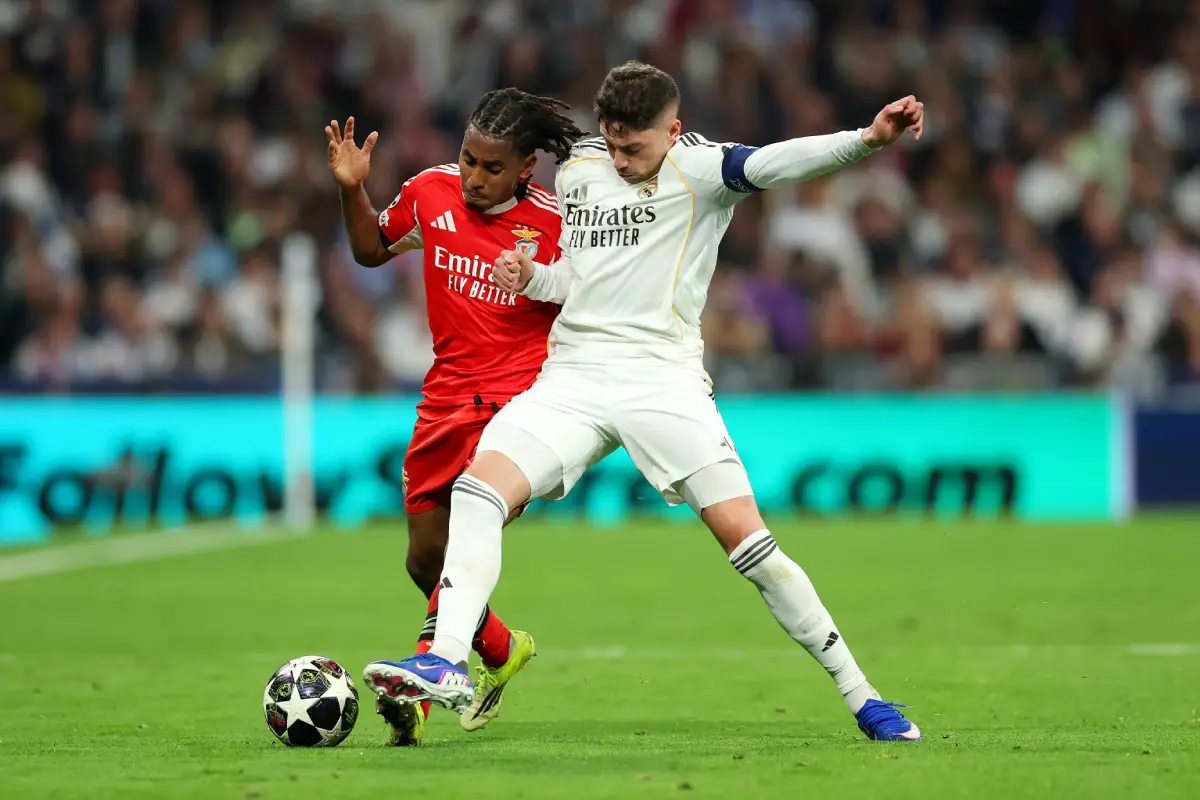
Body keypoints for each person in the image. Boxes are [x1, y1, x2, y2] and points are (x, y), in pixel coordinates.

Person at [366, 62, 926, 742]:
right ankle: (448, 660)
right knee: (477, 494)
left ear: (674, 130)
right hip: (573, 375)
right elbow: (579, 274)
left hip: (663, 382)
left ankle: (862, 695)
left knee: (752, 548)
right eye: (615, 143)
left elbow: (784, 163)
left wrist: (867, 138)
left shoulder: (705, 172)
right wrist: (534, 275)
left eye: (638, 148)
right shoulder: (580, 173)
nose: (624, 160)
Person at [327, 87, 586, 745]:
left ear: (527, 166)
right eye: (468, 159)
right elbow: (370, 252)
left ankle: (422, 690)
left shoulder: (558, 224)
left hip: (517, 407)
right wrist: (353, 190)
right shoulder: (429, 192)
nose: (474, 177)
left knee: (460, 543)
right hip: (443, 399)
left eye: (492, 167)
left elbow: (591, 308)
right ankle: (501, 648)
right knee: (423, 562)